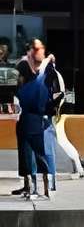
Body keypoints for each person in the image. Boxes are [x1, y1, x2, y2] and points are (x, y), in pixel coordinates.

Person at [10, 39, 55, 200]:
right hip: (32, 118)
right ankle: (37, 187)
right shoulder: (38, 73)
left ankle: (36, 187)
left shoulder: (35, 76)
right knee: (32, 153)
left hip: (32, 118)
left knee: (32, 153)